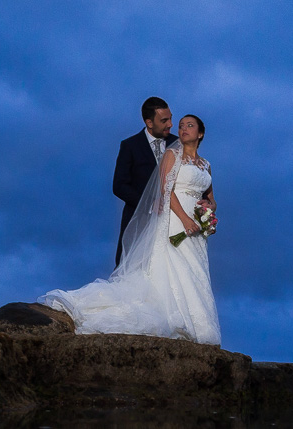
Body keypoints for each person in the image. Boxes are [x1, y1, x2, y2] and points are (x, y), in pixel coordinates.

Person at [41, 114, 221, 345]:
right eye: (181, 126)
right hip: (176, 219)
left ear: (200, 133)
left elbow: (211, 198)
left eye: (190, 125)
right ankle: (176, 319)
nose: (183, 129)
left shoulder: (206, 165)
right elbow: (166, 190)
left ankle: (198, 325)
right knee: (172, 265)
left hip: (197, 226)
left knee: (194, 270)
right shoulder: (171, 155)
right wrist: (185, 219)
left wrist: (209, 209)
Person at [113, 97, 177, 266]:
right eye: (164, 120)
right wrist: (149, 203)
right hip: (139, 223)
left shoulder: (178, 144)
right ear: (149, 122)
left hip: (173, 224)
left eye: (170, 118)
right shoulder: (130, 146)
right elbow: (119, 185)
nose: (170, 124)